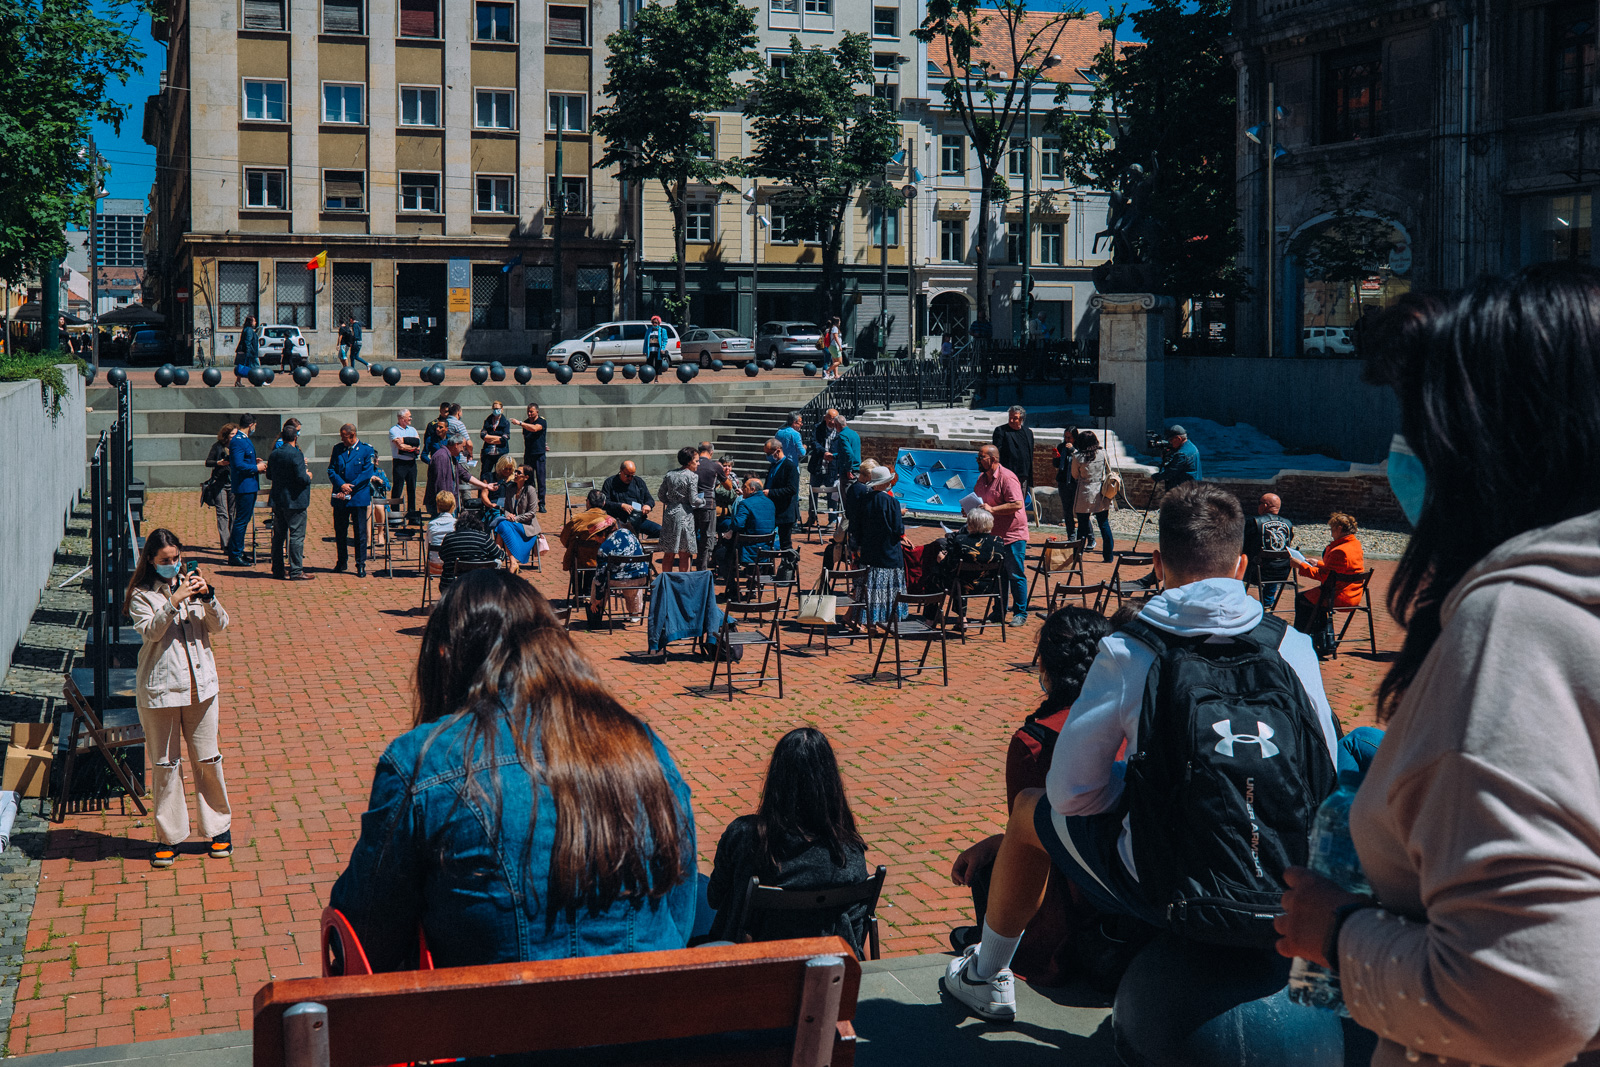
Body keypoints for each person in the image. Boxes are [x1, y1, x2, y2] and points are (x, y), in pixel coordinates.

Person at [1273, 269, 1600, 1067]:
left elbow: (1528, 998)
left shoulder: (1515, 630)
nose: (1401, 450)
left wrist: (1339, 931)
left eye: (1418, 421)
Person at [943, 482, 1340, 1023]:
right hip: (1288, 886)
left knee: (1027, 812)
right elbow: (1327, 772)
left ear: (1158, 563)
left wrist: (1141, 788)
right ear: (1242, 564)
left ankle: (985, 976)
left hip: (1171, 885)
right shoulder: (1292, 646)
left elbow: (1071, 794)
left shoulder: (1131, 651)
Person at [329, 571, 696, 969]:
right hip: (647, 1020)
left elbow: (365, 934)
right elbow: (680, 911)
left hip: (488, 1025)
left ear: (444, 656)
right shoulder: (640, 744)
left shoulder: (423, 762)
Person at [948, 607, 1116, 985]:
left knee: (990, 870)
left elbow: (1039, 851)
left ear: (1047, 668)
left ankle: (988, 969)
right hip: (1130, 895)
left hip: (1068, 930)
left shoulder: (1034, 742)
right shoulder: (1131, 721)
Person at [706, 727, 870, 954]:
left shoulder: (744, 835)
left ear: (776, 780)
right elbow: (857, 931)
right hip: (828, 970)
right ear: (831, 782)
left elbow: (714, 898)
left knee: (694, 885)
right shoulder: (849, 852)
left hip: (753, 966)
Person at [125, 529, 232, 869]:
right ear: (151, 562)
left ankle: (218, 828)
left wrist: (208, 597)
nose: (172, 565)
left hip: (201, 687)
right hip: (161, 691)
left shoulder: (193, 585)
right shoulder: (142, 595)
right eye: (165, 561)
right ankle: (169, 836)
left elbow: (220, 626)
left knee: (208, 759)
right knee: (166, 765)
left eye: (176, 559)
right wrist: (173, 601)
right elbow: (152, 631)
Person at [975, 443, 1030, 628]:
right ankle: (999, 611)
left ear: (993, 459)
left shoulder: (1007, 477)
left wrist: (993, 509)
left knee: (1015, 574)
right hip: (994, 534)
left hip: (1013, 533)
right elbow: (979, 500)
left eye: (981, 457)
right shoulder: (982, 479)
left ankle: (1020, 613)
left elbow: (1017, 504)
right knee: (998, 575)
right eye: (978, 457)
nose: (978, 460)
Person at [1290, 511, 1364, 642]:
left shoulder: (1340, 550)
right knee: (1313, 600)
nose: (1331, 532)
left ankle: (1301, 640)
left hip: (1339, 596)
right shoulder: (1355, 544)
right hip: (1353, 593)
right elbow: (1339, 570)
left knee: (1302, 599)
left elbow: (1325, 577)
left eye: (1332, 529)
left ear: (1339, 528)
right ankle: (1320, 640)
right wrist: (1318, 563)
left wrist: (1301, 565)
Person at [849, 465, 905, 632]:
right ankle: (884, 621)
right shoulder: (892, 502)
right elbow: (898, 530)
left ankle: (869, 622)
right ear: (885, 482)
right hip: (888, 553)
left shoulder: (863, 500)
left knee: (869, 590)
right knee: (886, 592)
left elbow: (855, 527)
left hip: (868, 552)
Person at [327, 423, 379, 577]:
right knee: (340, 531)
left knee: (360, 533)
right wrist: (341, 485)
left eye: (344, 437)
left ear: (352, 435)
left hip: (358, 497)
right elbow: (331, 469)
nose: (342, 439)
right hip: (341, 496)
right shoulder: (338, 449)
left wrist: (351, 487)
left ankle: (360, 564)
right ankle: (341, 561)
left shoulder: (366, 450)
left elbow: (366, 473)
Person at [938, 506, 1005, 619]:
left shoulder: (961, 541)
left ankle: (931, 619)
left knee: (936, 578)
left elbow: (949, 567)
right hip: (989, 586)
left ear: (970, 524)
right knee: (959, 578)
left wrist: (941, 560)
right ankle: (961, 618)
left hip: (962, 586)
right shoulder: (998, 541)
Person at [267, 424, 313, 581]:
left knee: (279, 536)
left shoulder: (275, 454)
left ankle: (277, 569)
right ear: (295, 437)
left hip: (279, 499)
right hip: (295, 500)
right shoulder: (296, 454)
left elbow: (269, 475)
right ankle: (296, 570)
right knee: (296, 536)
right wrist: (308, 476)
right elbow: (301, 478)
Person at [1242, 492, 1295, 610]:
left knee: (1239, 563)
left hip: (1255, 572)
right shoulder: (1288, 524)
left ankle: (1237, 599)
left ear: (1265, 506)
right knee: (1275, 561)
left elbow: (1244, 545)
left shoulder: (1254, 522)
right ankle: (1267, 602)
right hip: (1282, 573)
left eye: (1259, 503)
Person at [589, 520, 649, 623]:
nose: (596, 540)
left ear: (603, 534)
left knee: (597, 581)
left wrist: (597, 599)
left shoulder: (604, 548)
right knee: (632, 577)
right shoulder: (627, 532)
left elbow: (600, 577)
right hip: (642, 577)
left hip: (620, 580)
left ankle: (596, 611)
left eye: (596, 536)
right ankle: (635, 613)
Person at [438, 511, 518, 588]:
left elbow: (442, 556)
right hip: (479, 587)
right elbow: (501, 556)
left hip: (450, 586)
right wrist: (498, 545)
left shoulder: (449, 538)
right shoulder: (483, 538)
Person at [226, 415, 266, 566]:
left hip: (249, 485)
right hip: (244, 487)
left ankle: (239, 551)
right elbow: (237, 465)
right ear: (251, 425)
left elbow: (243, 460)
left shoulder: (243, 439)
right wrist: (256, 468)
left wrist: (254, 463)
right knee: (241, 521)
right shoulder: (238, 441)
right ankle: (235, 554)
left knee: (244, 519)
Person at [1070, 431, 1115, 563]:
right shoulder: (1103, 453)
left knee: (1082, 527)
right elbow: (1108, 470)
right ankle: (1108, 557)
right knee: (1104, 524)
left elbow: (1074, 475)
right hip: (1101, 491)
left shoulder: (1077, 456)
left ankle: (1078, 555)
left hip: (1085, 491)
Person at [657, 445, 700, 573]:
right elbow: (694, 500)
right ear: (689, 461)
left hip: (670, 513)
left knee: (669, 552)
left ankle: (667, 582)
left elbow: (660, 494)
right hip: (685, 515)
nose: (698, 464)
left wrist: (671, 502)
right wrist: (704, 501)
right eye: (696, 461)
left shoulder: (670, 474)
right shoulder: (692, 476)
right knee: (684, 552)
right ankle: (683, 584)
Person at [427, 433, 495, 513]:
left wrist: (485, 485)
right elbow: (440, 483)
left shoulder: (452, 458)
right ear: (456, 445)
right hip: (443, 504)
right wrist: (445, 504)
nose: (463, 450)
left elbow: (465, 475)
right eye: (462, 446)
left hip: (449, 502)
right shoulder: (441, 457)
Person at [494, 465, 545, 565]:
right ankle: (511, 562)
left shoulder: (530, 490)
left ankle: (497, 557)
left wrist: (515, 518)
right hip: (512, 523)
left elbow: (531, 513)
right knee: (503, 525)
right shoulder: (510, 488)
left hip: (527, 526)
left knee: (502, 526)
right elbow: (507, 508)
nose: (515, 474)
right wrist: (508, 515)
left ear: (526, 477)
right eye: (516, 472)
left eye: (519, 472)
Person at [560, 488, 616, 577]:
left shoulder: (577, 519)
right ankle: (589, 587)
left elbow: (564, 538)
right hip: (600, 560)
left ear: (588, 502)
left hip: (578, 558)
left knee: (573, 553)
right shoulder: (611, 521)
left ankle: (576, 588)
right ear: (604, 503)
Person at [602, 460, 661, 539]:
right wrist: (621, 506)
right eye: (627, 475)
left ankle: (641, 548)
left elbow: (649, 499)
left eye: (632, 475)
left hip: (637, 519)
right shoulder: (610, 482)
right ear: (621, 471)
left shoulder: (638, 482)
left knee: (659, 530)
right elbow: (605, 503)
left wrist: (648, 505)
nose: (630, 478)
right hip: (618, 521)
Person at [203, 423, 236, 553]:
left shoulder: (238, 447)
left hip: (234, 483)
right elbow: (208, 462)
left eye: (236, 434)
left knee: (233, 513)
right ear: (226, 435)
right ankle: (226, 544)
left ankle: (233, 542)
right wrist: (219, 463)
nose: (235, 436)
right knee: (223, 514)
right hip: (220, 484)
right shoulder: (217, 447)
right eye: (232, 434)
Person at [510, 402, 548, 512]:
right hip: (529, 454)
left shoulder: (542, 421)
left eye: (531, 411)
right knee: (529, 479)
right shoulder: (526, 423)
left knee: (541, 480)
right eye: (528, 411)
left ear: (537, 411)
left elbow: (535, 429)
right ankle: (531, 501)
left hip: (539, 455)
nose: (529, 414)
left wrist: (520, 423)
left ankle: (542, 503)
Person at [764, 437, 800, 551]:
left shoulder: (790, 467)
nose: (768, 456)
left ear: (778, 450)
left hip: (785, 511)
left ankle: (788, 565)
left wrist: (771, 492)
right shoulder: (773, 466)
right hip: (773, 510)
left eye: (769, 453)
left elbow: (792, 489)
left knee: (785, 543)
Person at [693, 442, 724, 570]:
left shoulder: (693, 464)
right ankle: (702, 568)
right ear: (711, 452)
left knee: (691, 536)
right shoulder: (715, 466)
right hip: (708, 505)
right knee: (708, 537)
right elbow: (727, 485)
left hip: (692, 505)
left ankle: (688, 567)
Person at [991, 406, 1036, 495]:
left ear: (1021, 419)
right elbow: (997, 453)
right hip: (1008, 476)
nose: (1011, 420)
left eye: (1015, 418)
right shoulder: (1001, 431)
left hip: (1024, 475)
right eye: (1010, 418)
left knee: (1020, 503)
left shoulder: (1028, 433)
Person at [806, 408, 838, 527]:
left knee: (832, 493)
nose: (832, 421)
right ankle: (812, 516)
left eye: (834, 418)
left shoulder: (839, 429)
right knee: (813, 493)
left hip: (832, 467)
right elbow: (814, 442)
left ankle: (832, 518)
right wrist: (823, 452)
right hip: (818, 465)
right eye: (830, 418)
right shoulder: (818, 427)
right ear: (825, 418)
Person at [388, 409, 421, 515]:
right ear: (402, 418)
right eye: (409, 416)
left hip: (411, 463)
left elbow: (418, 443)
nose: (411, 418)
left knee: (412, 489)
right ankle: (395, 514)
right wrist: (412, 446)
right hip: (400, 463)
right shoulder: (394, 430)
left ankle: (412, 514)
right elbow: (400, 446)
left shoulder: (413, 430)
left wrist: (405, 441)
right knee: (397, 488)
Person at [826, 413, 861, 503]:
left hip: (848, 471)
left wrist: (848, 470)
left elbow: (849, 454)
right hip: (857, 469)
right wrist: (834, 456)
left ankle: (847, 516)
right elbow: (846, 453)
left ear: (837, 425)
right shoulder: (854, 434)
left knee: (846, 499)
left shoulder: (842, 436)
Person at [1155, 424, 1202, 489]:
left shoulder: (1181, 454)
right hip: (1194, 486)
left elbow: (1171, 472)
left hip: (1184, 490)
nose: (1170, 443)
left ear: (1178, 438)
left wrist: (1156, 477)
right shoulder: (1191, 447)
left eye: (1171, 440)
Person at [1052, 425, 1079, 533]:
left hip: (1075, 482)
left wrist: (1073, 451)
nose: (1067, 440)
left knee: (1079, 511)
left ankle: (1089, 536)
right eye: (1065, 437)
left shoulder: (1079, 448)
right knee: (1067, 510)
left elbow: (1082, 462)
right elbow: (1057, 465)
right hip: (1063, 481)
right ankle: (1071, 534)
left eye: (1069, 438)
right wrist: (1055, 458)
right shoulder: (1061, 447)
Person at [426, 490, 457, 575]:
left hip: (434, 565)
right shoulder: (457, 524)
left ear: (437, 507)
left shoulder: (431, 524)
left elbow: (427, 546)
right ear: (453, 506)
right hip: (452, 566)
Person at [480, 400, 511, 475]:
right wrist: (497, 438)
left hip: (501, 452)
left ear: (502, 409)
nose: (496, 410)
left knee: (500, 474)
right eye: (494, 409)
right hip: (488, 453)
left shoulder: (505, 422)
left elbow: (504, 438)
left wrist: (490, 439)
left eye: (497, 408)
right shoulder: (488, 421)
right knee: (485, 473)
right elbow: (483, 435)